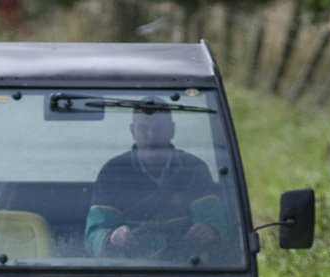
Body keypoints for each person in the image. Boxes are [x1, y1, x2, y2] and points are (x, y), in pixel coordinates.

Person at [84, 99, 227, 260]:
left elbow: (218, 224)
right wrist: (112, 237)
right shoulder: (113, 172)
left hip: (186, 267)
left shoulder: (194, 168)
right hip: (128, 269)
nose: (151, 136)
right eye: (143, 128)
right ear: (133, 131)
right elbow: (93, 236)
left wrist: (211, 231)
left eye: (159, 129)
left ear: (172, 130)